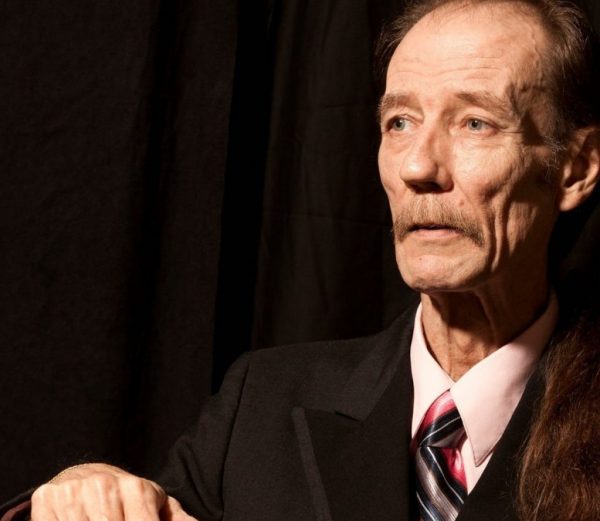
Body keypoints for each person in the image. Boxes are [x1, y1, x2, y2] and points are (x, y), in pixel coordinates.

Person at [3, 0, 599, 520]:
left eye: (475, 123)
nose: (418, 167)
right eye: (400, 122)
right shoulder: (262, 403)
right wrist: (79, 493)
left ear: (576, 168)